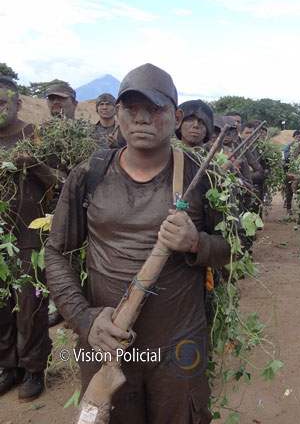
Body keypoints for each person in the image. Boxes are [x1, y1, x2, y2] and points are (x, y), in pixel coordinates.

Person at [45, 63, 231, 423]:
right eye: (131, 108)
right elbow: (56, 252)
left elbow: (232, 249)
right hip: (104, 344)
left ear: (175, 117)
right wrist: (85, 318)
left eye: (155, 108)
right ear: (117, 114)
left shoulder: (203, 177)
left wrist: (196, 242)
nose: (142, 118)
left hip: (180, 347)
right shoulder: (90, 173)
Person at [0, 77, 57, 402]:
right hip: (0, 238)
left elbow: (60, 181)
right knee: (0, 305)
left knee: (29, 306)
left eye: (1, 103)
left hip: (29, 235)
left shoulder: (35, 135)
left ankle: (34, 368)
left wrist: (34, 164)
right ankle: (9, 366)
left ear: (17, 103)